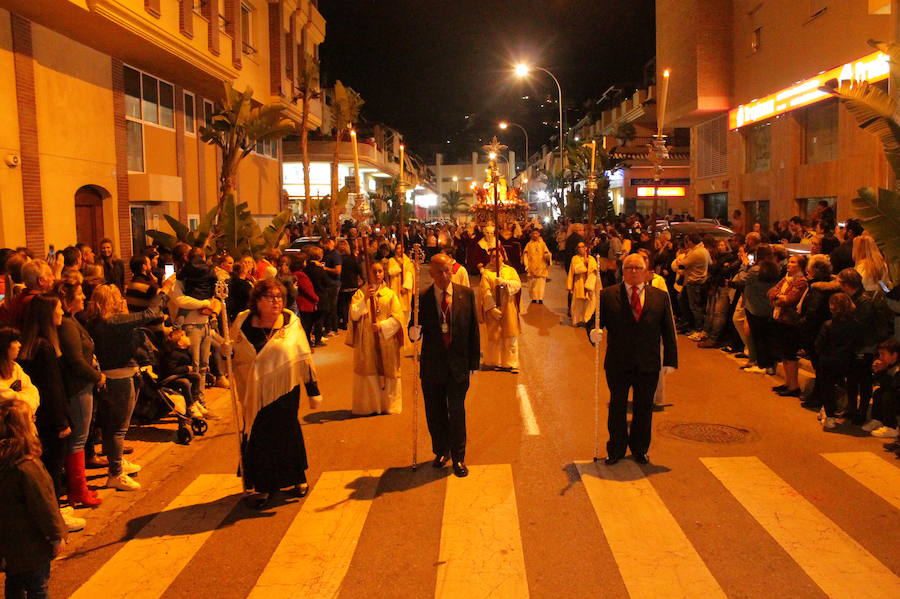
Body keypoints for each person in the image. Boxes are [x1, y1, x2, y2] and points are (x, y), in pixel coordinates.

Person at [227, 279, 322, 509]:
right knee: (258, 435)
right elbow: (233, 355)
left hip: (284, 390)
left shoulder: (291, 324)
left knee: (286, 432)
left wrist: (313, 391)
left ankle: (297, 477)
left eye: (279, 297)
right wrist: (225, 353)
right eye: (269, 297)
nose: (276, 302)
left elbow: (304, 358)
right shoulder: (241, 323)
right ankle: (263, 485)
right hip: (253, 392)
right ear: (257, 301)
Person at [590, 253, 678, 465]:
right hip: (618, 363)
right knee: (617, 407)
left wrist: (670, 360)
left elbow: (668, 330)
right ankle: (616, 449)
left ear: (646, 272)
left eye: (638, 268)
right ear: (623, 271)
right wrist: (594, 333)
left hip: (648, 363)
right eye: (629, 268)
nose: (634, 272)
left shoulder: (659, 296)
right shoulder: (607, 295)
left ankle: (640, 449)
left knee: (644, 408)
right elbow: (594, 322)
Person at [84, 284, 162, 491]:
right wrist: (162, 292)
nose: (122, 299)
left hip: (114, 376)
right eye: (118, 296)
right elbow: (150, 313)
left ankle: (116, 461)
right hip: (120, 378)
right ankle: (115, 473)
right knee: (118, 428)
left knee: (113, 427)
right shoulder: (113, 321)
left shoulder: (97, 322)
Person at [409, 254, 480, 477]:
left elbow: (473, 330)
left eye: (447, 270)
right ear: (431, 274)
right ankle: (441, 450)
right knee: (435, 412)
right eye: (439, 271)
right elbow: (414, 329)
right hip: (433, 365)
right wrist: (413, 333)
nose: (444, 276)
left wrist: (473, 362)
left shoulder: (465, 294)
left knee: (456, 411)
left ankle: (459, 457)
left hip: (458, 365)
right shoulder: (421, 298)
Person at [0, 398, 69, 599]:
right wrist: (56, 535)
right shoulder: (27, 465)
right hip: (32, 544)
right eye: (32, 419)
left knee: (14, 582)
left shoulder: (5, 460)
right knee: (37, 587)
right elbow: (44, 503)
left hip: (8, 544)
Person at [54, 272, 105, 508]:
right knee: (78, 439)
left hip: (83, 385)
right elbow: (75, 360)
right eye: (80, 294)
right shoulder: (66, 325)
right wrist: (96, 376)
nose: (84, 297)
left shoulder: (72, 320)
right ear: (68, 299)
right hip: (78, 387)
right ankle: (77, 490)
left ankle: (80, 487)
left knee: (80, 437)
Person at [17, 295, 70, 500]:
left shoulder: (29, 346)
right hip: (52, 418)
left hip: (41, 416)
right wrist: (61, 422)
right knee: (54, 465)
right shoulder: (45, 348)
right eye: (58, 309)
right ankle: (56, 508)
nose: (62, 313)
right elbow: (52, 388)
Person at [347, 261, 405, 415]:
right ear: (368, 273)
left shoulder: (391, 294)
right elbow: (354, 314)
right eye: (374, 271)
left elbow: (398, 318)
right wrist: (365, 298)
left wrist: (382, 326)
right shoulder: (360, 294)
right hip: (366, 340)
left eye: (380, 271)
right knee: (369, 369)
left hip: (387, 340)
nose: (378, 274)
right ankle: (369, 406)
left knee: (388, 370)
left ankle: (388, 405)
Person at [815, 293, 864, 430]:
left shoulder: (828, 325)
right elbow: (859, 343)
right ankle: (852, 412)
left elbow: (819, 345)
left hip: (829, 360)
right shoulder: (856, 325)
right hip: (848, 360)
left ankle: (830, 416)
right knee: (852, 386)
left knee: (828, 387)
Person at [768, 255, 809, 397]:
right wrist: (778, 297)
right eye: (789, 262)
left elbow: (790, 299)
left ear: (800, 266)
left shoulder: (801, 282)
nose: (789, 265)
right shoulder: (786, 279)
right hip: (780, 319)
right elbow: (771, 292)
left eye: (793, 262)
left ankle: (794, 386)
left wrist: (779, 297)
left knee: (790, 354)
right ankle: (788, 382)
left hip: (790, 322)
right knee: (784, 354)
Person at [479, 247, 522, 373]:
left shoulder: (510, 270)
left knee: (510, 334)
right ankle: (494, 361)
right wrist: (491, 308)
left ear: (502, 257)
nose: (496, 259)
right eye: (493, 256)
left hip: (509, 307)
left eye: (498, 256)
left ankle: (510, 362)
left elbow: (518, 285)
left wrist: (505, 282)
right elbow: (485, 292)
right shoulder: (486, 273)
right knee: (495, 336)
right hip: (494, 309)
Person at [0, 327, 39, 414]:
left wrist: (25, 405)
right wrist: (24, 399)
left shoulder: (15, 367)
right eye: (15, 341)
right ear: (5, 346)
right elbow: (10, 398)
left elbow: (32, 390)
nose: (19, 345)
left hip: (25, 420)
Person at [567, 241, 600, 327]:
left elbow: (594, 270)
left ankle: (587, 320)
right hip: (579, 283)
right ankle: (577, 320)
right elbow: (576, 270)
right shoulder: (575, 258)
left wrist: (590, 284)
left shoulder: (591, 258)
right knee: (578, 304)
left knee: (590, 304)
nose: (581, 249)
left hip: (589, 285)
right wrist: (585, 263)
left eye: (583, 247)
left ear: (586, 248)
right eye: (579, 247)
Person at [523, 229, 551, 304]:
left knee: (540, 284)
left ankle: (540, 298)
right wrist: (526, 264)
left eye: (536, 233)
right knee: (532, 284)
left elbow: (547, 253)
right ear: (531, 234)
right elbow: (525, 254)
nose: (535, 235)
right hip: (531, 266)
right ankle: (534, 298)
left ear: (539, 234)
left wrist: (547, 256)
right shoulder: (529, 244)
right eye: (533, 233)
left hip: (541, 267)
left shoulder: (543, 244)